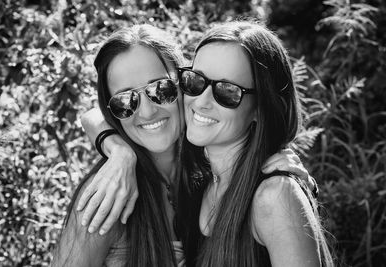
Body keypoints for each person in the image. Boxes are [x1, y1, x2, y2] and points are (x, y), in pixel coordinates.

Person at [52, 23, 312, 267]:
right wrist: (119, 152)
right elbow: (91, 116)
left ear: (183, 84)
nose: (146, 113)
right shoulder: (108, 195)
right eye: (125, 102)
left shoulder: (208, 175)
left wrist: (291, 192)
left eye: (160, 89)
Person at [177, 21, 334, 266]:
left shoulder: (274, 196)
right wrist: (116, 149)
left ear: (261, 109)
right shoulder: (199, 180)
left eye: (227, 91)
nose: (201, 101)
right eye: (195, 81)